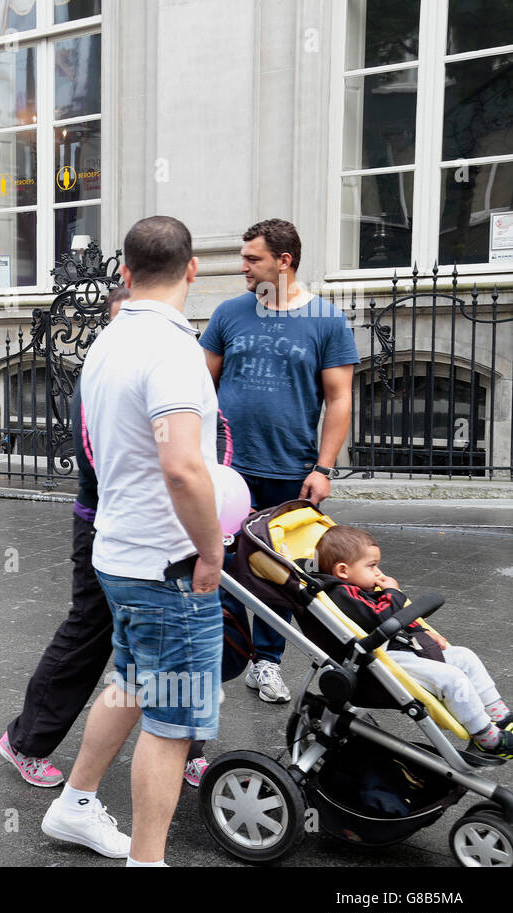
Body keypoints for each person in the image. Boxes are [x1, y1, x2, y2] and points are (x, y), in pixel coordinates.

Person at [43, 216, 223, 866]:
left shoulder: (106, 343)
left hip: (119, 552)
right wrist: (211, 548)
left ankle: (74, 803)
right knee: (171, 723)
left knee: (131, 681)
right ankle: (148, 862)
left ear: (123, 272)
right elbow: (180, 465)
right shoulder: (173, 351)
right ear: (193, 268)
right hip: (165, 565)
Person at [201, 219, 358, 706]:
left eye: (252, 259)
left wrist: (324, 468)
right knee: (223, 565)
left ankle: (266, 663)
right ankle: (230, 654)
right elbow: (197, 387)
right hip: (228, 469)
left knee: (278, 570)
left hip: (291, 468)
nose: (243, 267)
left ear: (283, 261)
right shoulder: (229, 314)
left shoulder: (327, 321)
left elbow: (340, 399)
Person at [0, 287, 129, 788]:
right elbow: (100, 463)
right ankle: (26, 740)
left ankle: (185, 747)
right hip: (107, 523)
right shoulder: (101, 373)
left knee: (169, 645)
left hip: (157, 528)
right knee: (89, 632)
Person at [316, 525, 513, 758]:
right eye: (371, 566)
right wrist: (393, 593)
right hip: (382, 661)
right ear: (343, 570)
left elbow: (394, 617)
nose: (379, 573)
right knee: (453, 679)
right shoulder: (341, 595)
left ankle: (498, 715)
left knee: (464, 656)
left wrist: (421, 630)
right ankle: (485, 737)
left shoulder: (360, 588)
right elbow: (380, 614)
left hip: (402, 648)